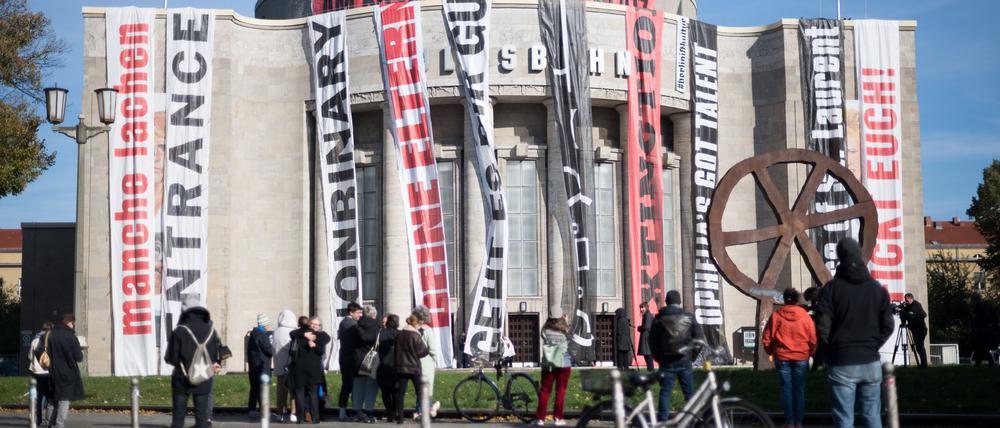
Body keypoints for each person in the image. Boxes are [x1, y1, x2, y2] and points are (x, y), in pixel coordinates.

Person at [816, 238, 894, 428]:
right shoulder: (878, 290)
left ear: (840, 258)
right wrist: (872, 344)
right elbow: (888, 325)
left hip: (842, 360)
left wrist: (831, 349)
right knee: (872, 416)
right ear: (859, 255)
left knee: (844, 419)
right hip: (870, 360)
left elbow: (822, 325)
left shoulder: (831, 289)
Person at [762, 288, 816, 428]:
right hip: (801, 357)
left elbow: (767, 337)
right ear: (797, 300)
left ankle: (789, 422)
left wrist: (771, 352)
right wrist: (810, 353)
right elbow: (813, 338)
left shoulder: (776, 316)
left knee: (785, 389)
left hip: (782, 356)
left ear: (784, 300)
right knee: (799, 389)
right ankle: (799, 422)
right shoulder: (805, 316)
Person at [165, 298, 222, 428]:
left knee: (178, 418)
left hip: (181, 379)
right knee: (202, 418)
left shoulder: (179, 331)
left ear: (184, 312)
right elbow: (215, 356)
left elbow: (171, 358)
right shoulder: (211, 331)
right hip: (204, 378)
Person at [649, 290, 704, 422]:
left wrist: (658, 357)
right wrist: (692, 356)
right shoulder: (689, 317)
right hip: (685, 360)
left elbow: (652, 340)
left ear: (666, 301)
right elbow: (699, 338)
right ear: (679, 301)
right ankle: (692, 420)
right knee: (689, 393)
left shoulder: (659, 317)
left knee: (665, 392)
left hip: (666, 361)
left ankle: (662, 421)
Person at [44, 314, 84, 428]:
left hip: (52, 372)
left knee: (53, 399)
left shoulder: (50, 334)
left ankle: (49, 423)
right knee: (64, 400)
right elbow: (79, 357)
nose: (74, 326)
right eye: (73, 323)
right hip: (68, 372)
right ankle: (59, 424)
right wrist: (82, 351)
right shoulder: (71, 337)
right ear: (70, 323)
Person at [291, 316, 331, 424]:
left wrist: (313, 345)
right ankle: (314, 418)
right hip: (310, 369)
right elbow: (321, 350)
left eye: (316, 324)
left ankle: (302, 418)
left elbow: (322, 349)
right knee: (310, 393)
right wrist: (306, 335)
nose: (314, 326)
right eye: (312, 323)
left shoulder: (314, 335)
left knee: (303, 393)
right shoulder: (314, 335)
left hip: (302, 368)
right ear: (309, 324)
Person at [535, 314, 572, 426]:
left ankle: (540, 418)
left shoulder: (545, 330)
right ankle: (558, 418)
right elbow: (570, 337)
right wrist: (566, 322)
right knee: (560, 391)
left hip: (548, 363)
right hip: (563, 363)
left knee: (545, 391)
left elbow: (542, 334)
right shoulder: (565, 330)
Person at [394, 315, 430, 424]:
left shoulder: (399, 334)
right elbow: (423, 352)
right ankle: (422, 414)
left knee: (400, 393)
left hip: (401, 367)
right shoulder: (416, 335)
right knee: (420, 392)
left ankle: (400, 417)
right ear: (415, 324)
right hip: (414, 367)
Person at [352, 305, 381, 422]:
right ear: (373, 315)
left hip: (357, 358)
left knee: (358, 385)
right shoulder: (375, 325)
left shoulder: (355, 325)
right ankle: (368, 411)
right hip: (371, 358)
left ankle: (356, 410)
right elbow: (371, 339)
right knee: (371, 385)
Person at [413, 306, 442, 418]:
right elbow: (433, 349)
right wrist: (434, 359)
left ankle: (418, 410)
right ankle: (426, 410)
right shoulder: (428, 331)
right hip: (427, 362)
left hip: (414, 361)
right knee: (427, 388)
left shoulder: (413, 329)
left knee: (419, 387)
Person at [337, 302, 364, 420]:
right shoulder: (351, 324)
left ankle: (346, 411)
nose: (360, 315)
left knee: (348, 385)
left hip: (346, 358)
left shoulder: (346, 323)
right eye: (358, 313)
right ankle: (352, 411)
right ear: (351, 312)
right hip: (350, 360)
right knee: (349, 386)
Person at [246, 313, 275, 418]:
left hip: (254, 364)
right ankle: (264, 411)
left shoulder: (254, 333)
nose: (269, 326)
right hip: (261, 365)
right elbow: (269, 350)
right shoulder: (262, 335)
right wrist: (274, 346)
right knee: (263, 388)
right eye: (268, 324)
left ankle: (252, 409)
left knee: (254, 387)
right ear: (264, 325)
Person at [273, 309, 298, 422]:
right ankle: (293, 413)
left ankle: (280, 413)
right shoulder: (293, 332)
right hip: (291, 365)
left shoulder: (276, 332)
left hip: (279, 365)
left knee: (281, 391)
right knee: (293, 391)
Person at [28, 322, 53, 424]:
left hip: (35, 372)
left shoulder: (34, 340)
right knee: (49, 396)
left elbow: (30, 356)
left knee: (37, 397)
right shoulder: (51, 341)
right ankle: (49, 419)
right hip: (46, 372)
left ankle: (37, 419)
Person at [377, 314, 401, 422]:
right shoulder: (400, 334)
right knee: (396, 391)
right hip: (396, 366)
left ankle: (389, 411)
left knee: (385, 391)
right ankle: (396, 411)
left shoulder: (381, 333)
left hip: (383, 365)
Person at [900, 293, 928, 368]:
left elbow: (911, 316)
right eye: (905, 299)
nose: (905, 301)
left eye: (906, 299)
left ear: (910, 298)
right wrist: (902, 312)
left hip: (920, 330)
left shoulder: (916, 305)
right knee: (919, 347)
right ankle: (923, 364)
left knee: (920, 347)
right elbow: (906, 315)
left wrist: (903, 312)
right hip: (915, 330)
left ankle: (924, 365)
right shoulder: (909, 306)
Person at [970, 292, 998, 366]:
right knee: (981, 347)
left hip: (981, 330)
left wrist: (976, 326)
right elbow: (994, 317)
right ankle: (978, 363)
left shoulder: (977, 307)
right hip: (988, 330)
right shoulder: (987, 306)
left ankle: (988, 363)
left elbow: (977, 319)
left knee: (981, 347)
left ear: (974, 299)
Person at [802, 286, 824, 371]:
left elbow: (821, 311)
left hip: (823, 327)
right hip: (820, 326)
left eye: (810, 299)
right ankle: (817, 366)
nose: (811, 301)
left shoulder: (823, 297)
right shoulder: (817, 298)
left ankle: (817, 366)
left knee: (821, 347)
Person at [637, 302, 655, 371]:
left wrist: (639, 328)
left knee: (648, 355)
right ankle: (650, 370)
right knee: (647, 355)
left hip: (647, 338)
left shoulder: (647, 315)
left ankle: (650, 370)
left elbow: (647, 327)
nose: (641, 309)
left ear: (646, 307)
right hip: (647, 338)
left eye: (642, 307)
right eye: (640, 308)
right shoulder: (647, 315)